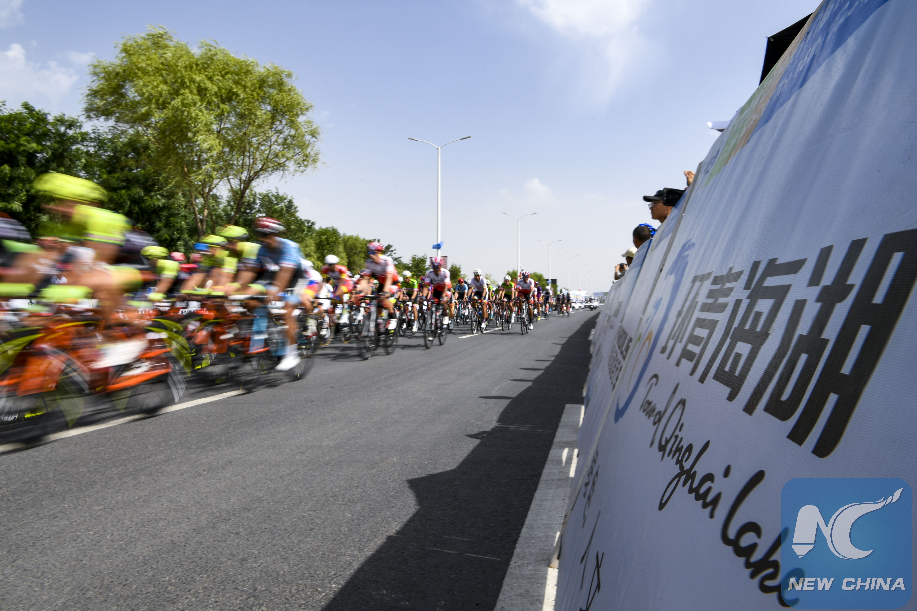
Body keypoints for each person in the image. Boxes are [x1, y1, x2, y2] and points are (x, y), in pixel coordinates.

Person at [235, 217, 304, 371]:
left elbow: (285, 274)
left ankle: (292, 354)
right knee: (248, 300)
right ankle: (259, 339)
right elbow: (251, 272)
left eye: (266, 235)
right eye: (260, 235)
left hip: (296, 275)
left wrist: (275, 292)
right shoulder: (262, 249)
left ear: (275, 235)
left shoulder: (288, 247)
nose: (263, 239)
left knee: (287, 309)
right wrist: (239, 290)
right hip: (275, 273)